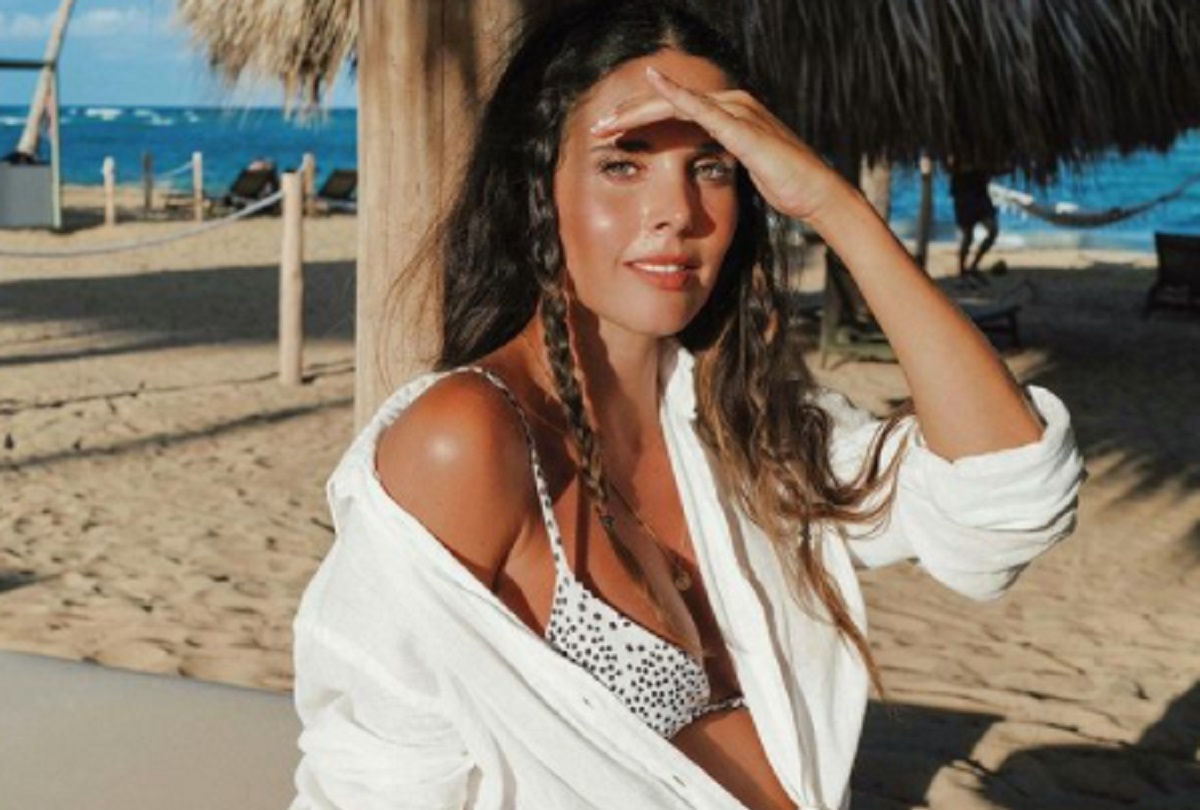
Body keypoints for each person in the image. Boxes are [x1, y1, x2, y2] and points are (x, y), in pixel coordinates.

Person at [288, 4, 1084, 809]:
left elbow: (1006, 501)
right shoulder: (468, 439)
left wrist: (834, 207)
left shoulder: (739, 424)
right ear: (538, 186)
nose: (678, 213)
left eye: (712, 167)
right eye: (623, 165)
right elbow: (374, 780)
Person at [948, 160, 1001, 282]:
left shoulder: (981, 157)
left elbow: (990, 173)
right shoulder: (957, 163)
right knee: (968, 237)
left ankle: (973, 266)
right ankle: (962, 270)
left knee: (993, 230)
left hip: (980, 197)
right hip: (964, 197)